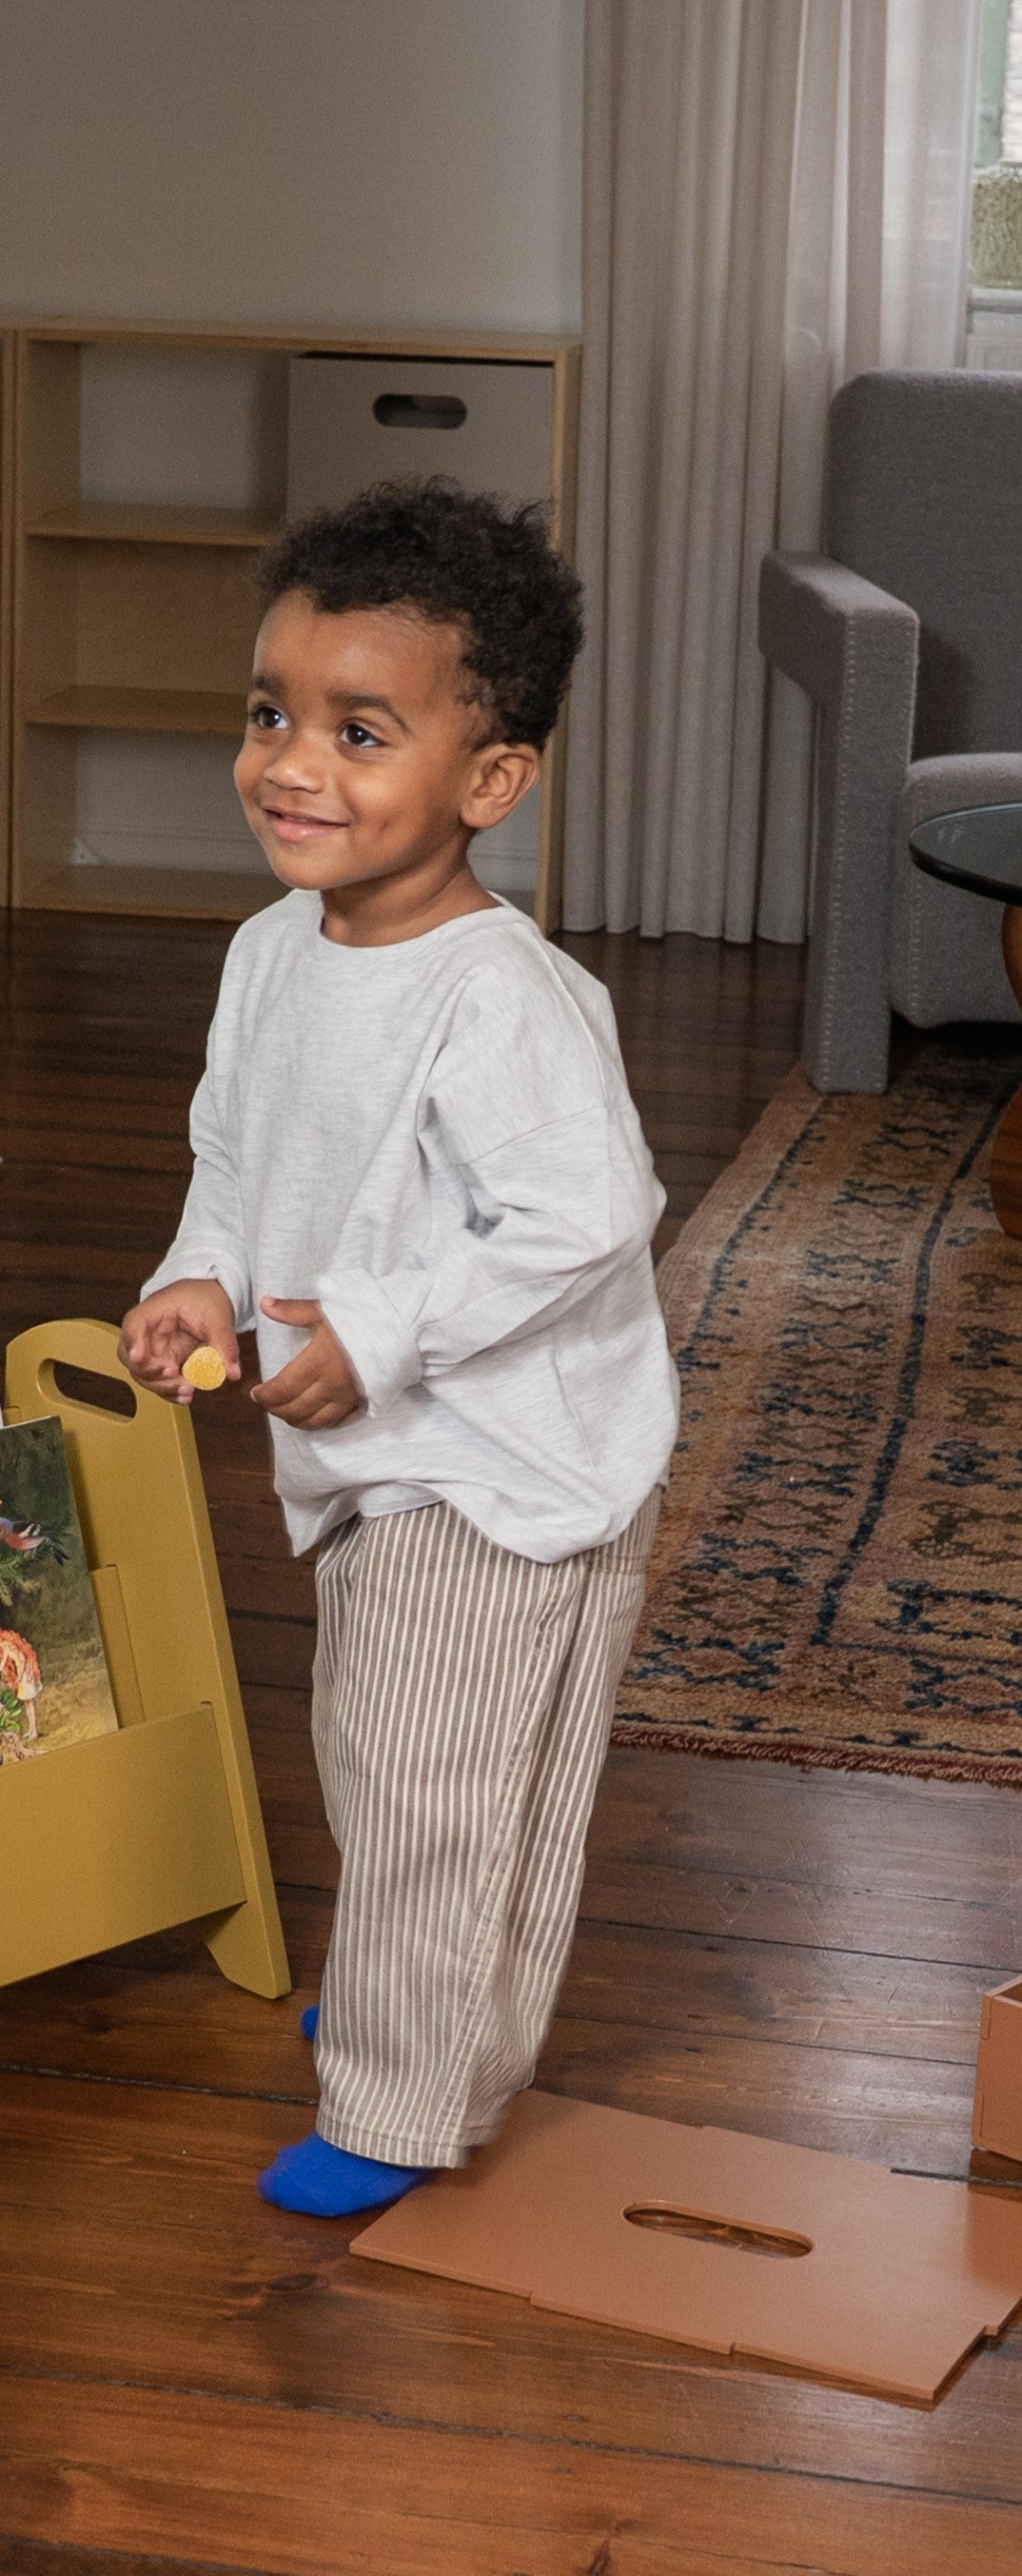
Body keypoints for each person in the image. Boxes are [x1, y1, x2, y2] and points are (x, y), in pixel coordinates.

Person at [118, 479, 678, 2217]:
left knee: (435, 1794)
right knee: (398, 1764)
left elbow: (586, 1215)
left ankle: (397, 2096)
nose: (294, 762)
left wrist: (373, 1333)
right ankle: (429, 2028)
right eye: (272, 712)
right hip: (370, 1451)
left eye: (362, 732)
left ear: (487, 782)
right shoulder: (272, 956)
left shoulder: (501, 1002)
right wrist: (201, 1277)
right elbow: (237, 1158)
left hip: (501, 1469)